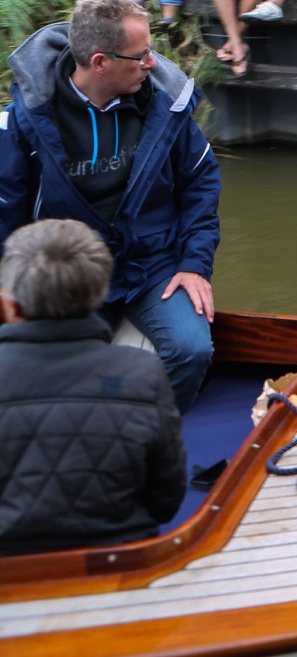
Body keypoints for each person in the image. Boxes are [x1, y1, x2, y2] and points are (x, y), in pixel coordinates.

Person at [0, 0, 222, 412]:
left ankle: (148, 436)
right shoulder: (21, 123)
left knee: (191, 351)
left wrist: (195, 264)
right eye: (140, 55)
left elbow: (201, 188)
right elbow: (5, 210)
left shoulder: (166, 109)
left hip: (152, 264)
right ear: (100, 62)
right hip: (69, 272)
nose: (152, 64)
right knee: (48, 371)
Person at [0, 219, 187, 555]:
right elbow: (165, 501)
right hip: (118, 561)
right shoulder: (143, 373)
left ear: (10, 306)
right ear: (100, 294)